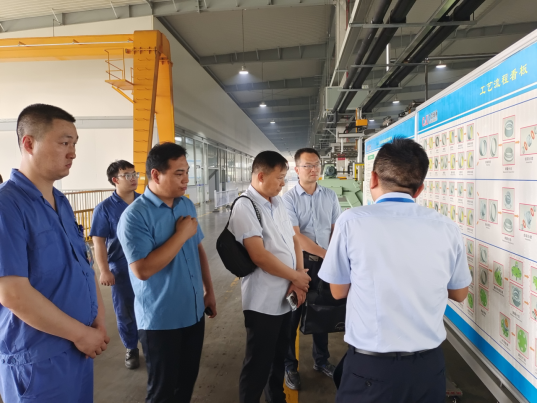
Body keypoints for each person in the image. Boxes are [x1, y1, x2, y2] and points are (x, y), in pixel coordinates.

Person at [319, 137, 471, 403]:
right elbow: (459, 293)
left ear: (373, 179)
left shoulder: (351, 222)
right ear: (419, 189)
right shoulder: (446, 227)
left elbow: (338, 291)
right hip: (428, 368)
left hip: (372, 369)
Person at [0, 104, 110, 403]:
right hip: (37, 361)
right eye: (64, 143)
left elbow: (83, 264)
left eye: (74, 144)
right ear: (29, 143)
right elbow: (13, 293)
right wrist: (81, 334)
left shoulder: (61, 202)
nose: (72, 153)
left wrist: (98, 319)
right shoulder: (7, 206)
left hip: (78, 349)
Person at [117, 142, 217, 403]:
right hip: (161, 321)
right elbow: (142, 270)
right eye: (178, 173)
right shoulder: (135, 216)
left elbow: (197, 249)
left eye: (187, 172)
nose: (186, 180)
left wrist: (209, 290)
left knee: (185, 385)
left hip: (193, 313)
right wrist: (181, 234)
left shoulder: (186, 206)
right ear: (156, 174)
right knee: (162, 392)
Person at [228, 150, 311, 403]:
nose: (283, 183)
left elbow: (294, 240)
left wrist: (298, 276)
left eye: (285, 178)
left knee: (278, 359)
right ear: (261, 176)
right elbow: (259, 256)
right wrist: (296, 277)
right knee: (258, 364)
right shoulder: (245, 206)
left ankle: (277, 399)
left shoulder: (278, 203)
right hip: (263, 302)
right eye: (280, 178)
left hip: (286, 298)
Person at [282, 148, 341, 390]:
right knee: (292, 315)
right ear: (297, 169)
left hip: (325, 264)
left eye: (316, 164)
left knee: (321, 311)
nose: (313, 169)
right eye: (307, 165)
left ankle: (321, 360)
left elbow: (336, 229)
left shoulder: (330, 195)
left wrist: (333, 256)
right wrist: (327, 255)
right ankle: (289, 366)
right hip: (300, 264)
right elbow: (296, 236)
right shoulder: (288, 199)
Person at [91, 160, 141, 370]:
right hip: (121, 268)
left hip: (148, 264)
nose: (133, 178)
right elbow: (98, 242)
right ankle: (131, 347)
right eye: (127, 175)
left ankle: (152, 344)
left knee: (150, 305)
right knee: (126, 310)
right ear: (115, 180)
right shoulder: (104, 209)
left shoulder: (145, 202)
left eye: (135, 174)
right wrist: (104, 270)